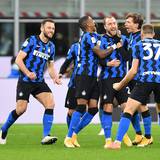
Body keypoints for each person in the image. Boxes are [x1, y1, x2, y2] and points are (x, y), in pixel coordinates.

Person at [0, 19, 62, 145]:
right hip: (25, 80)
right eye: (49, 28)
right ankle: (3, 129)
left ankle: (46, 136)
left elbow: (50, 67)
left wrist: (55, 77)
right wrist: (28, 73)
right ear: (42, 28)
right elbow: (18, 59)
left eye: (53, 28)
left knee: (50, 103)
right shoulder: (32, 40)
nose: (51, 30)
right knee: (21, 109)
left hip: (39, 81)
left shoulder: (51, 46)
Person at [64, 16, 121, 148]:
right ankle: (68, 137)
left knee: (94, 108)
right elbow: (101, 54)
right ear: (87, 24)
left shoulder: (94, 36)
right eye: (91, 19)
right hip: (83, 76)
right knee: (81, 107)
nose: (94, 21)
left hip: (93, 77)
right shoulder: (87, 37)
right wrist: (114, 46)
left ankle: (73, 134)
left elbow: (103, 38)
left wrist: (114, 34)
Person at [110, 23, 158, 149]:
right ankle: (147, 138)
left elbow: (133, 71)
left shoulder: (138, 45)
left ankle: (117, 143)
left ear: (142, 34)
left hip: (144, 81)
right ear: (153, 34)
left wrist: (120, 85)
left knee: (128, 110)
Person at [99, 16, 132, 148]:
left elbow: (127, 57)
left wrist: (118, 45)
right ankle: (108, 140)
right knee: (107, 107)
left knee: (127, 108)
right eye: (109, 24)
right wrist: (108, 63)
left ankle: (123, 135)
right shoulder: (101, 40)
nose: (113, 26)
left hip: (122, 79)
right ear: (105, 27)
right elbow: (98, 59)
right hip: (107, 78)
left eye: (114, 23)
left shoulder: (124, 39)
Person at [123, 13, 151, 145]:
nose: (125, 24)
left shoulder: (141, 39)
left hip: (139, 77)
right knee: (132, 106)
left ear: (137, 24)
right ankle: (139, 134)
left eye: (128, 22)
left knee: (142, 106)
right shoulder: (131, 37)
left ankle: (148, 136)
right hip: (132, 78)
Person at [59, 42, 80, 128]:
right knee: (71, 111)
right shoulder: (75, 47)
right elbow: (67, 61)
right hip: (75, 82)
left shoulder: (96, 45)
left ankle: (73, 133)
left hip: (90, 81)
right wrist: (61, 72)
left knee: (90, 108)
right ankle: (70, 135)